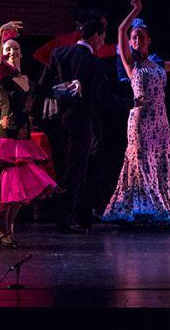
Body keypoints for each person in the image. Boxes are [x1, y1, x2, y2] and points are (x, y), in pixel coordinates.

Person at [0, 21, 58, 247]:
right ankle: (3, 230)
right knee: (8, 192)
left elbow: (48, 92)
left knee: (20, 193)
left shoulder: (28, 81)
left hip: (23, 140)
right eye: (8, 50)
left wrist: (70, 86)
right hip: (5, 140)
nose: (12, 52)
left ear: (21, 53)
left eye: (15, 49)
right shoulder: (1, 78)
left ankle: (4, 228)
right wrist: (0, 31)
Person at [102, 0, 170, 226]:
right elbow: (120, 31)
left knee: (160, 163)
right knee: (141, 163)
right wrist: (136, 11)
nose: (137, 40)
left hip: (161, 122)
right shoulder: (130, 64)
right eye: (134, 38)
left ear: (149, 40)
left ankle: (162, 207)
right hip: (141, 121)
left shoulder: (157, 63)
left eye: (141, 36)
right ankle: (141, 209)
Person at [40, 17, 133, 233]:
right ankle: (65, 218)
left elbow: (44, 87)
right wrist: (131, 103)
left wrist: (60, 91)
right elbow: (104, 98)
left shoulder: (59, 54)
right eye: (102, 37)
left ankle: (83, 217)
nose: (103, 42)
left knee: (77, 166)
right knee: (76, 169)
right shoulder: (94, 63)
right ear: (94, 36)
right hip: (80, 121)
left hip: (59, 119)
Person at [33, 9, 117, 65]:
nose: (104, 30)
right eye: (102, 25)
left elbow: (39, 55)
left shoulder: (62, 38)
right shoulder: (85, 41)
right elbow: (101, 51)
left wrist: (56, 69)